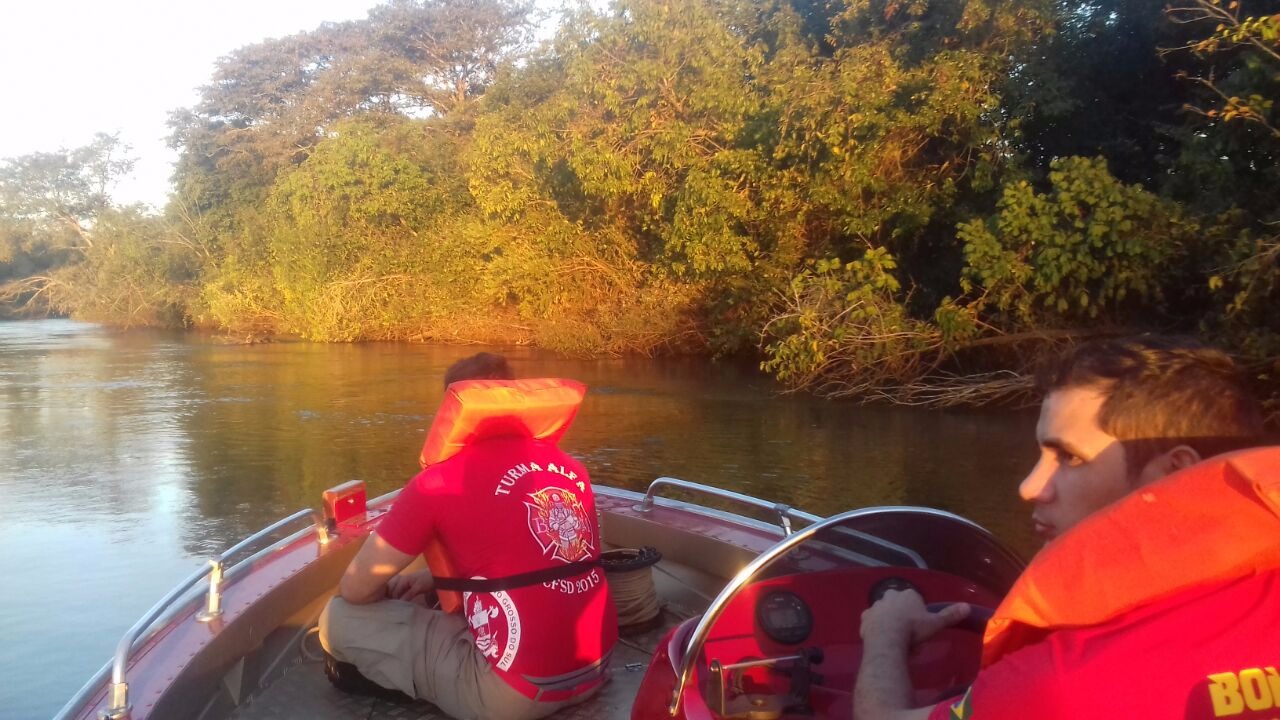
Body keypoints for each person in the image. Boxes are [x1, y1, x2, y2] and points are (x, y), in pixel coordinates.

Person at [854, 336, 1276, 720]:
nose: (1029, 487)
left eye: (1069, 458)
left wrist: (885, 635)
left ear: (1173, 474)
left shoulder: (1059, 686)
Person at [319, 352, 617, 720]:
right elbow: (544, 562)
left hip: (514, 697)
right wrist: (432, 579)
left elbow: (355, 589)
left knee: (337, 617)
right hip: (597, 668)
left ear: (452, 410)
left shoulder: (437, 482)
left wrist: (391, 604)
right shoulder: (571, 469)